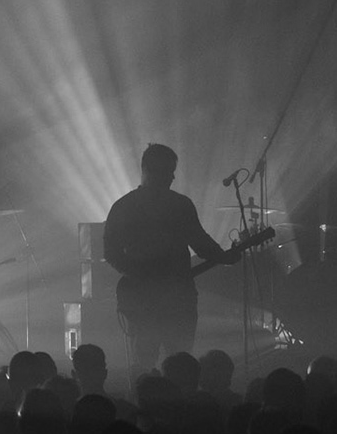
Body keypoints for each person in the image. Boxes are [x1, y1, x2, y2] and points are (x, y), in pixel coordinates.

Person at [103, 143, 240, 374]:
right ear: (148, 169)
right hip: (173, 299)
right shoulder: (178, 205)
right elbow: (201, 243)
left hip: (155, 299)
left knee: (151, 361)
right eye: (167, 171)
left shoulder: (126, 206)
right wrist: (224, 256)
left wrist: (139, 275)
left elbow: (111, 252)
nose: (172, 177)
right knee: (176, 361)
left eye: (171, 171)